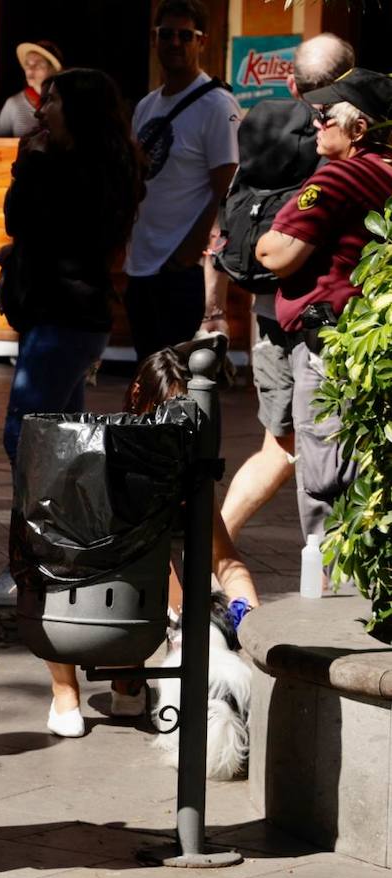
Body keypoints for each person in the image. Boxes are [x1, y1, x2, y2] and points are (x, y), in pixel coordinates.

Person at [0, 68, 144, 610]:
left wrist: (32, 163)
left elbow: (33, 223)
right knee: (67, 444)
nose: (41, 112)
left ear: (79, 111)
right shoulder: (98, 166)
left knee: (28, 439)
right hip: (68, 319)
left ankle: (28, 567)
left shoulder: (81, 170)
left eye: (54, 103)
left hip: (65, 320)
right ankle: (73, 557)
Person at [41, 344, 261, 738]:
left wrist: (247, 612)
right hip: (82, 578)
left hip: (142, 588)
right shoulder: (98, 449)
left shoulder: (186, 467)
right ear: (142, 398)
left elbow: (224, 557)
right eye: (169, 413)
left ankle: (128, 679)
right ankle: (65, 689)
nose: (176, 429)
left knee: (164, 576)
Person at [218, 34, 354, 546]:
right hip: (322, 320)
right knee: (317, 448)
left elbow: (229, 216)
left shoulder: (265, 133)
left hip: (267, 312)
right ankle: (324, 575)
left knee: (283, 445)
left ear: (292, 82)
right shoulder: (340, 144)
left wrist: (213, 307)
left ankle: (209, 549)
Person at [256, 67, 392, 547]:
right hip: (370, 346)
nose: (315, 123)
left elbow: (275, 253)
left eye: (325, 116)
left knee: (325, 480)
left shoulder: (339, 177)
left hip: (328, 350)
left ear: (358, 130)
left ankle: (331, 596)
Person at [124, 0, 239, 362]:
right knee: (148, 377)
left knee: (177, 384)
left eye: (186, 35)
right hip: (140, 263)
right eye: (167, 34)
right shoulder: (146, 106)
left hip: (178, 267)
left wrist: (189, 252)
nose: (175, 42)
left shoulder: (217, 105)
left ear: (201, 42)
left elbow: (226, 186)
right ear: (154, 40)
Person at [0, 40, 63, 137]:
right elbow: (1, 149)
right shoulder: (12, 105)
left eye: (39, 64)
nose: (30, 69)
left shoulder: (65, 104)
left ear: (53, 70)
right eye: (28, 64)